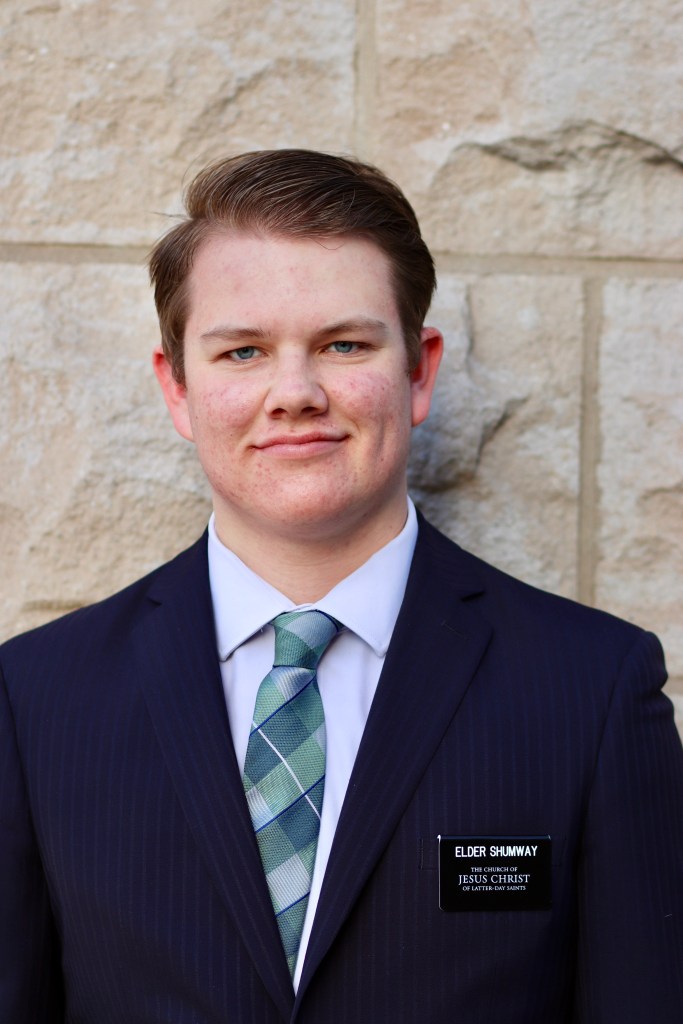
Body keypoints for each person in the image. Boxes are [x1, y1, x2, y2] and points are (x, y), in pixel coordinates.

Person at [1, 149, 681, 1024]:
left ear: (418, 370)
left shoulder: (590, 688)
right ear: (177, 389)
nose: (294, 393)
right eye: (243, 351)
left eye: (343, 344)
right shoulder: (37, 698)